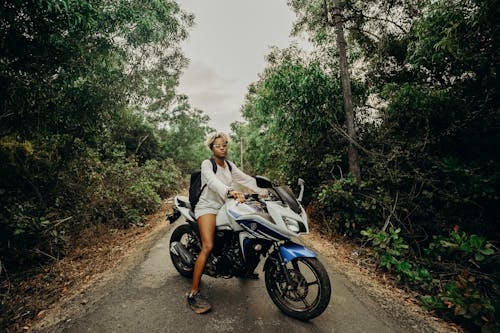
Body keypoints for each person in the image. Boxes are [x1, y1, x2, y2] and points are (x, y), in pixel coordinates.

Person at [187, 131, 266, 314]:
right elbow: (214, 183)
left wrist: (266, 190)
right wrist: (230, 191)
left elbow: (246, 179)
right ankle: (193, 293)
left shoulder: (230, 165)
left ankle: (243, 267)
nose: (222, 148)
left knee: (243, 229)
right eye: (218, 145)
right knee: (207, 246)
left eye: (224, 145)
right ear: (212, 148)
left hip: (224, 205)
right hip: (207, 206)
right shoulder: (207, 164)